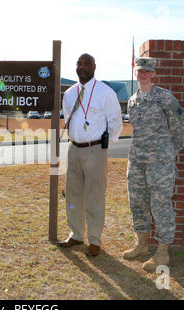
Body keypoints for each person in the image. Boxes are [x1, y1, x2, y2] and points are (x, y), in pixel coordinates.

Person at [122, 57, 184, 272]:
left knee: (161, 206)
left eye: (147, 71)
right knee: (137, 203)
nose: (143, 74)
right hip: (137, 161)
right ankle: (141, 244)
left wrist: (167, 155)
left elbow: (179, 131)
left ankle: (162, 253)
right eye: (140, 70)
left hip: (160, 164)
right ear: (136, 73)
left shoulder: (165, 98)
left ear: (153, 74)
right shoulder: (133, 101)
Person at [57, 53, 123, 256]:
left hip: (95, 150)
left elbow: (115, 121)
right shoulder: (69, 94)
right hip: (73, 149)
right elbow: (68, 117)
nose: (82, 67)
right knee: (73, 194)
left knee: (95, 196)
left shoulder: (105, 92)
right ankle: (76, 235)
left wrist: (105, 142)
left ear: (94, 67)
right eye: (79, 63)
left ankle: (94, 240)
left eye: (86, 64)